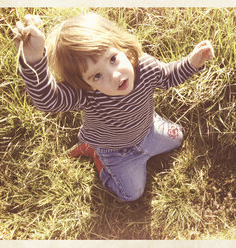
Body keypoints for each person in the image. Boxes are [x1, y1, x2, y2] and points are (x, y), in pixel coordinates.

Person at [15, 12, 214, 202]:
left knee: (178, 137)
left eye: (113, 59)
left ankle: (152, 131)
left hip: (148, 132)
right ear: (84, 83)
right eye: (97, 76)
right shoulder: (87, 94)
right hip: (115, 151)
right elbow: (48, 100)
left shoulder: (145, 68)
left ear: (121, 46)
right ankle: (96, 155)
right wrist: (33, 59)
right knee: (132, 194)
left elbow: (169, 76)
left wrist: (192, 62)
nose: (115, 75)